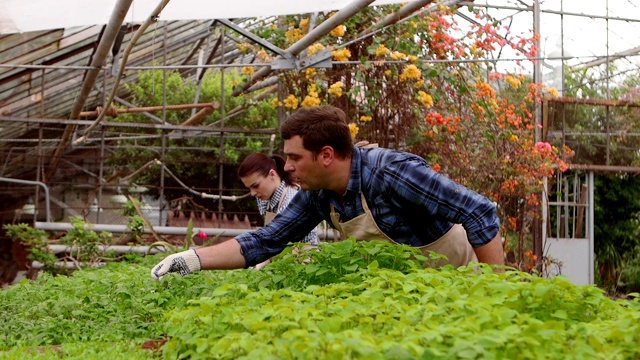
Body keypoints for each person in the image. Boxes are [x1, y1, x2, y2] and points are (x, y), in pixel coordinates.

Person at [151, 105, 504, 280]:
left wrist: (493, 294)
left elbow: (480, 211)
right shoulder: (320, 194)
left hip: (460, 281)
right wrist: (193, 259)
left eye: (293, 157)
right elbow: (267, 240)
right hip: (410, 290)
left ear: (326, 155)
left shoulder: (391, 173)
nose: (286, 167)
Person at [237, 153, 319, 269]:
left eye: (255, 186)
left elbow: (277, 241)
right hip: (283, 260)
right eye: (249, 188)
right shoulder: (266, 199)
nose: (253, 193)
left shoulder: (291, 199)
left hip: (303, 261)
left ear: (272, 174)